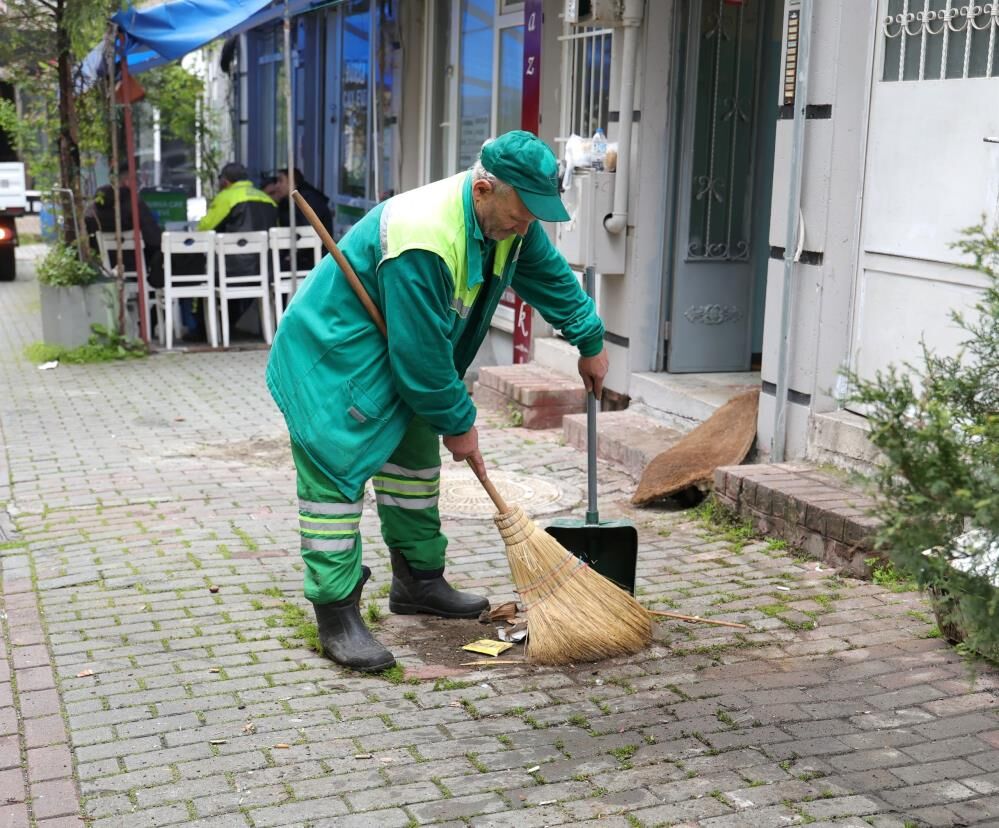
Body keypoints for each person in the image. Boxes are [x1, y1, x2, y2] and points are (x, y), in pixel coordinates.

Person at [266, 130, 608, 673]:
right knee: (334, 479)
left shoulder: (510, 223)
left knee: (413, 466)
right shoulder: (423, 238)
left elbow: (548, 276)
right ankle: (336, 612)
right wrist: (459, 421)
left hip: (402, 354)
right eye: (523, 212)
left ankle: (418, 581)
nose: (527, 225)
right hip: (336, 357)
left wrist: (589, 339)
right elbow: (422, 356)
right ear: (484, 190)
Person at [195, 162, 278, 337]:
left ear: (225, 182)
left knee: (200, 275)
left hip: (231, 270)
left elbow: (204, 228)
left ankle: (203, 331)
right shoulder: (266, 198)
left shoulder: (227, 197)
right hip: (265, 269)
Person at [84, 184, 164, 288]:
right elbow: (155, 239)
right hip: (137, 265)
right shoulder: (133, 206)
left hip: (104, 267)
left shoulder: (90, 214)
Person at [270, 167, 333, 232]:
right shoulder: (285, 201)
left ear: (293, 182)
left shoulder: (309, 199)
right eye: (276, 181)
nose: (276, 186)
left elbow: (305, 230)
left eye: (280, 181)